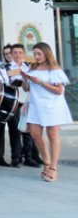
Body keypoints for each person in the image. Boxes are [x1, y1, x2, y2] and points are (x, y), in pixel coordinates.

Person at [23, 43, 69, 182]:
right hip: (36, 105)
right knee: (35, 134)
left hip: (51, 106)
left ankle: (53, 167)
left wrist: (40, 82)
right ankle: (46, 161)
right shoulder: (32, 67)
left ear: (46, 53)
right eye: (34, 54)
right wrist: (26, 80)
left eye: (39, 54)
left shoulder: (54, 69)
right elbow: (26, 89)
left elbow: (59, 90)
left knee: (52, 134)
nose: (36, 57)